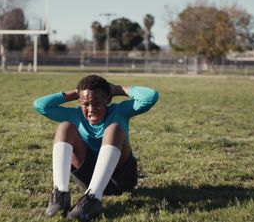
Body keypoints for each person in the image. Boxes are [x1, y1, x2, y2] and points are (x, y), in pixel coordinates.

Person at [33, 74, 159, 221]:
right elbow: (40, 105)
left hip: (121, 179)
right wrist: (77, 93)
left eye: (97, 102)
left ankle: (93, 199)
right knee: (65, 127)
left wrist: (116, 89)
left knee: (114, 129)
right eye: (86, 104)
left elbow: (151, 96)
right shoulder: (75, 114)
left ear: (108, 99)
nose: (91, 109)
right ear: (80, 102)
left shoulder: (119, 111)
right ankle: (61, 194)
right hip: (88, 178)